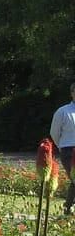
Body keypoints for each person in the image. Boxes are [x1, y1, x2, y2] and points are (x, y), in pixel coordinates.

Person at [50, 82, 75, 215]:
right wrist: (60, 145)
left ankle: (68, 208)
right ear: (72, 93)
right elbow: (54, 132)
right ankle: (67, 209)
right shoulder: (63, 111)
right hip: (69, 151)